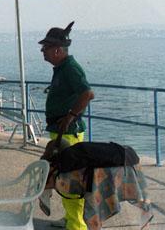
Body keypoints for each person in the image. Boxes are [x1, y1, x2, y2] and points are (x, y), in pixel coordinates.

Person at [38, 21, 95, 230]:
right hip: (60, 131)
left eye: (45, 47)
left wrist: (70, 116)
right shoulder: (61, 69)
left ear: (57, 50)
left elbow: (88, 93)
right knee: (61, 178)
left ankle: (77, 225)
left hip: (69, 133)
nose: (42, 51)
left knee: (71, 181)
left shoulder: (70, 68)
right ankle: (70, 219)